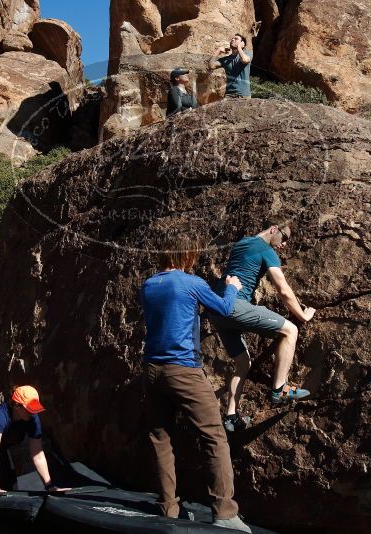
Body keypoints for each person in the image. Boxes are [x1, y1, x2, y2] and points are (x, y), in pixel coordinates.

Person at [141, 233, 251, 533]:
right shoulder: (192, 283)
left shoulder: (149, 285)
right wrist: (232, 288)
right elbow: (225, 309)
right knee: (214, 437)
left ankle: (168, 509)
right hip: (184, 369)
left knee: (160, 439)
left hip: (151, 369)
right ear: (187, 255)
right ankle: (225, 512)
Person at [208, 223, 316, 433]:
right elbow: (283, 290)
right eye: (284, 237)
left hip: (218, 310)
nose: (283, 245)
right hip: (236, 306)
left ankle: (231, 417)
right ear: (274, 229)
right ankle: (280, 389)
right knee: (291, 330)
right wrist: (303, 315)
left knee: (242, 362)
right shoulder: (266, 250)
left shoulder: (242, 243)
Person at [0, 385, 60, 493]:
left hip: (0, 450)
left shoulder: (33, 418)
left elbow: (38, 456)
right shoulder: (0, 414)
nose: (32, 413)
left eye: (34, 408)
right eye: (29, 409)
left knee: (11, 487)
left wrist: (49, 486)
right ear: (17, 406)